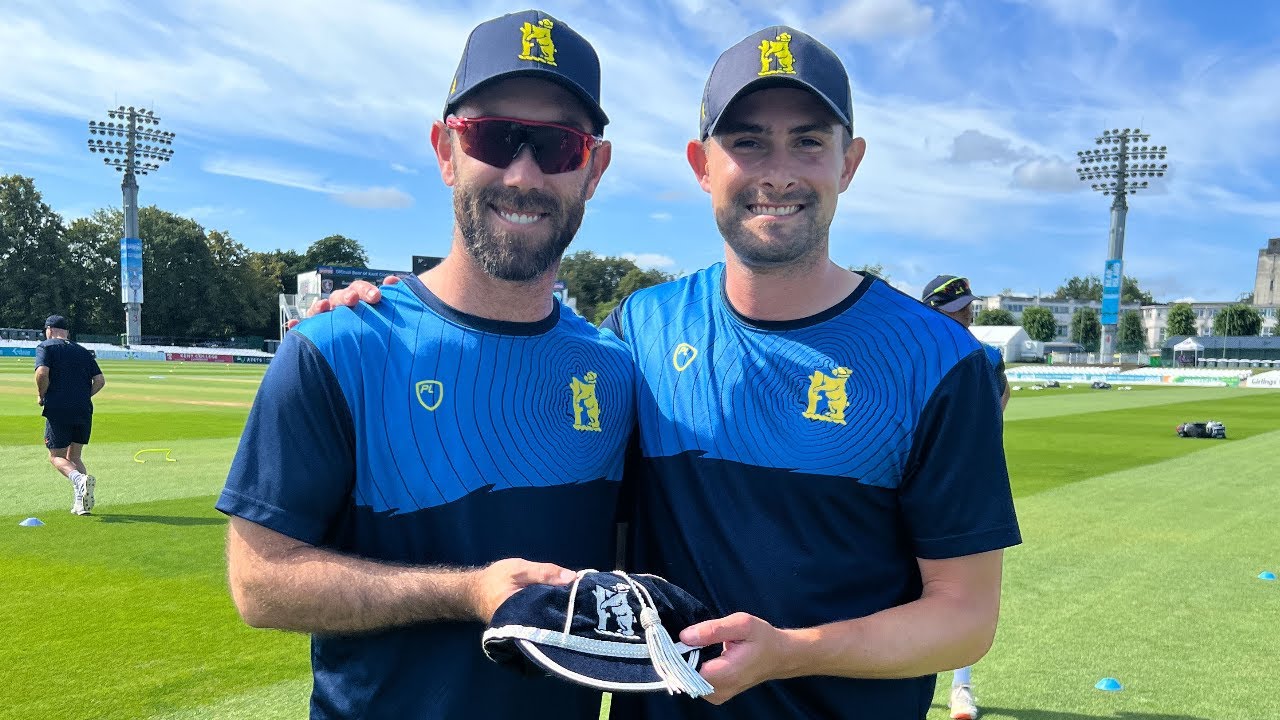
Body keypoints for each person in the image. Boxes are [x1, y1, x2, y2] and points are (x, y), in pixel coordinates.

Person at [320, 25, 1020, 720]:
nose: (778, 172)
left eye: (808, 140)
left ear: (850, 162)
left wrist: (790, 652)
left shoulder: (938, 359)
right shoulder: (640, 329)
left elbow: (964, 618)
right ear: (701, 165)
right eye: (747, 141)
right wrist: (399, 316)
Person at [215, 11, 634, 719]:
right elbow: (261, 584)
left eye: (558, 146)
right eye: (493, 137)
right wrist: (466, 592)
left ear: (593, 169)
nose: (523, 173)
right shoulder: (338, 346)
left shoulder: (615, 372)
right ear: (446, 151)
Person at [921, 275, 1013, 719]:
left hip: (963, 487)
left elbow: (999, 405)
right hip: (905, 483)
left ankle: (961, 687)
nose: (965, 314)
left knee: (961, 593)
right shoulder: (911, 352)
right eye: (955, 308)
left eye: (966, 307)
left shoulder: (987, 356)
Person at [35, 314, 105, 516]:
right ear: (67, 332)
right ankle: (81, 504)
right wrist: (83, 396)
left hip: (58, 408)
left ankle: (79, 479)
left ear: (49, 330)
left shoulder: (46, 347)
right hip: (83, 409)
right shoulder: (82, 351)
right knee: (74, 456)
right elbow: (100, 380)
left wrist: (41, 395)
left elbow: (42, 373)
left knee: (55, 457)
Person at [922, 275, 1011, 411]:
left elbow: (1004, 393)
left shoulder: (990, 354)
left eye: (968, 305)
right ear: (931, 312)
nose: (968, 313)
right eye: (957, 307)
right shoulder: (915, 352)